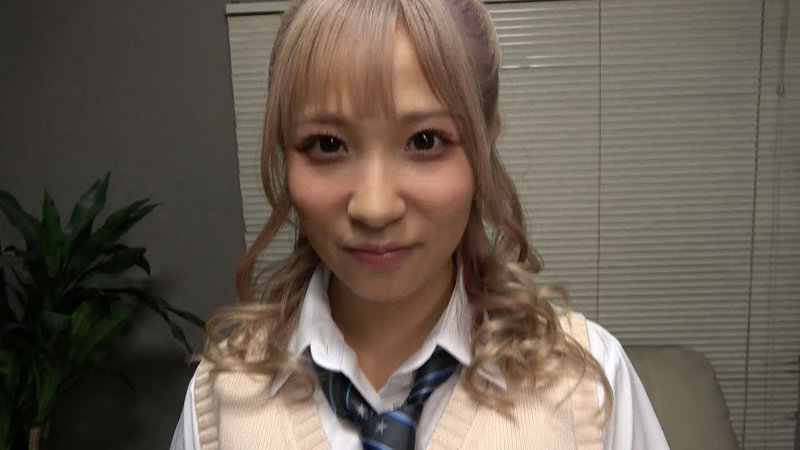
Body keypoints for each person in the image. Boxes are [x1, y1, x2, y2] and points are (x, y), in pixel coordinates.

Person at [171, 0, 669, 448]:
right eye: (327, 144)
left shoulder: (589, 385)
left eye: (425, 141)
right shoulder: (219, 400)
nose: (375, 207)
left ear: (484, 145)